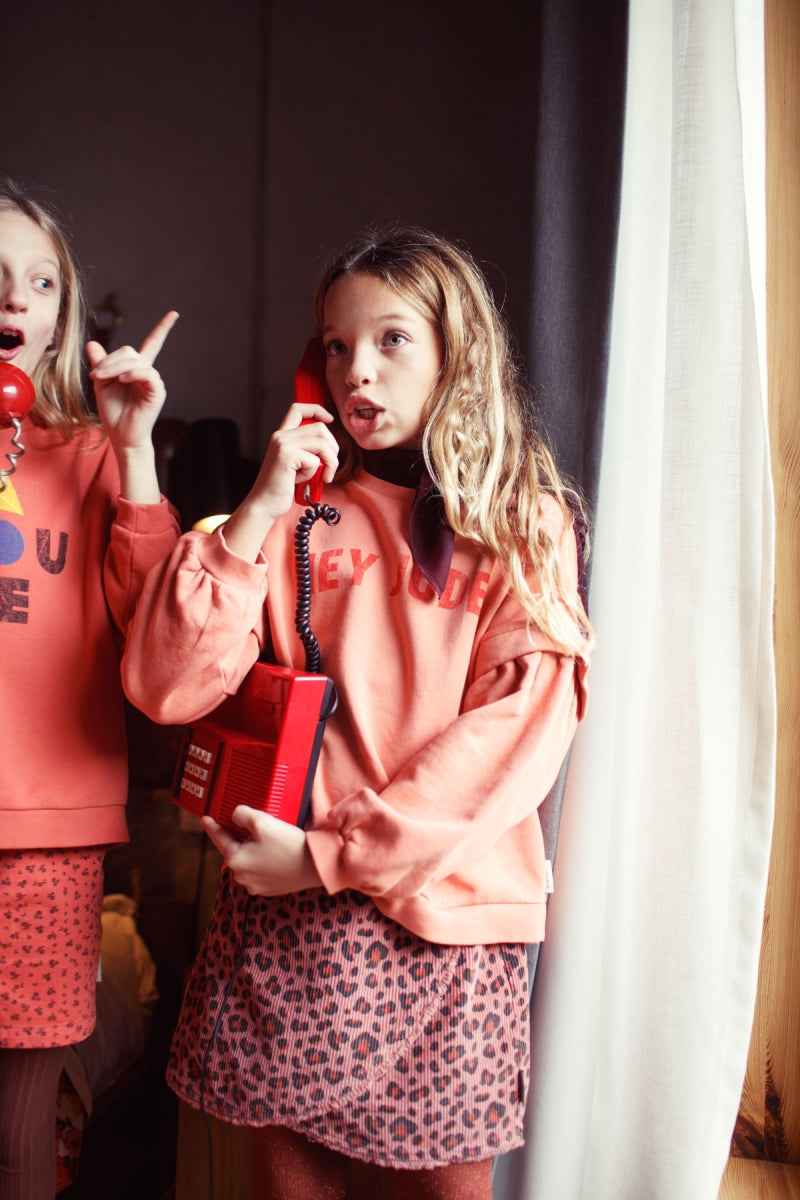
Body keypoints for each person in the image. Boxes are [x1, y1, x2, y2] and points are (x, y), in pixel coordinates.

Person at [122, 225, 592, 1200]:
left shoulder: (524, 520)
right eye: (334, 346)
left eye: (390, 340)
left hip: (447, 917)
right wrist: (258, 508)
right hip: (295, 917)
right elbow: (166, 687)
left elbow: (515, 732)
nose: (354, 372)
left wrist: (329, 855)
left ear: (456, 355)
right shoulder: (292, 517)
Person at [0, 178, 180, 1200]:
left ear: (63, 312)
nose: (15, 299)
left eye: (41, 282)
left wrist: (134, 447)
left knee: (17, 1127)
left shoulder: (94, 451)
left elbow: (161, 625)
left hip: (48, 840)